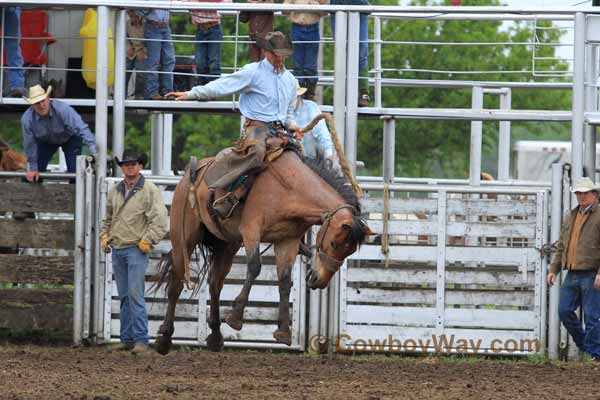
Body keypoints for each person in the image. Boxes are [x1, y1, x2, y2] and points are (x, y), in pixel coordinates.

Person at [166, 31, 300, 218]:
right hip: (256, 130)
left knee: (301, 159)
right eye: (276, 54)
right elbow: (223, 85)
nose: (280, 58)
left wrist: (293, 125)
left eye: (282, 54)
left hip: (280, 132)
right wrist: (192, 93)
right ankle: (233, 193)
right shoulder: (253, 72)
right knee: (257, 153)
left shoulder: (291, 81)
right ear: (266, 52)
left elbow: (290, 113)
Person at [100, 149, 168, 354]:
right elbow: (108, 217)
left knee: (134, 295)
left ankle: (140, 339)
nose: (129, 167)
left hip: (136, 249)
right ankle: (128, 338)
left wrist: (148, 240)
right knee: (125, 296)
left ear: (140, 166)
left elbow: (159, 220)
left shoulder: (149, 190)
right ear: (122, 167)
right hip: (120, 247)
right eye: (126, 164)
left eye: (133, 163)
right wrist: (104, 235)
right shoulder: (115, 190)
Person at [548, 177, 600, 361]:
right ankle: (590, 348)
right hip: (572, 271)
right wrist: (553, 269)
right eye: (579, 193)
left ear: (594, 194)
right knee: (564, 310)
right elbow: (562, 245)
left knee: (592, 316)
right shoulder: (571, 215)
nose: (582, 196)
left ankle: (595, 354)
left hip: (592, 271)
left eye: (585, 193)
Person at [21, 84, 97, 182]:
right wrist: (33, 169)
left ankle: (74, 195)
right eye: (37, 103)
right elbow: (29, 144)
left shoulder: (63, 109)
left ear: (48, 99)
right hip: (45, 142)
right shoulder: (27, 119)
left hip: (70, 138)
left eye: (43, 101)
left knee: (75, 172)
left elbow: (81, 127)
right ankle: (36, 195)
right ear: (32, 105)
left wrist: (93, 149)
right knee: (34, 174)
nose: (41, 105)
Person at [284, 0, 328, 101]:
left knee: (310, 65)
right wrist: (295, 6)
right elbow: (284, 10)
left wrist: (314, 5)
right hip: (297, 27)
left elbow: (326, 11)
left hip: (313, 28)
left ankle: (310, 92)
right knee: (297, 63)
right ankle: (299, 91)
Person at [330, 0, 370, 106]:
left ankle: (363, 92)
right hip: (337, 9)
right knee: (341, 52)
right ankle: (340, 93)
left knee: (361, 51)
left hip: (360, 7)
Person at [293, 82, 338, 172]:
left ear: (299, 96)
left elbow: (323, 134)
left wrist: (329, 154)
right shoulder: (280, 112)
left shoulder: (311, 107)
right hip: (292, 160)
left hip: (314, 160)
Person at [186, 0, 231, 85]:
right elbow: (184, 3)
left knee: (214, 61)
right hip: (200, 29)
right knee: (199, 62)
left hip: (214, 27)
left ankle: (213, 91)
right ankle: (203, 90)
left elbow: (228, 5)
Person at [136, 3, 175, 100]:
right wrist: (149, 7)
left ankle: (168, 92)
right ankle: (152, 93)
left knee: (169, 60)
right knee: (154, 62)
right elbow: (138, 9)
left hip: (166, 27)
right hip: (153, 26)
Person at [2, 6, 25, 97]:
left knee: (13, 45)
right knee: (13, 46)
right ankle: (17, 85)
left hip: (12, 5)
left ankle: (17, 86)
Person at [125, 10, 146, 98]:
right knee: (124, 71)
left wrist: (143, 51)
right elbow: (125, 37)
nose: (133, 19)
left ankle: (139, 96)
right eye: (131, 16)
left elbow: (150, 40)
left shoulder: (146, 24)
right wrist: (129, 48)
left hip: (143, 51)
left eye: (135, 17)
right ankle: (121, 94)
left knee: (141, 73)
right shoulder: (127, 24)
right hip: (132, 50)